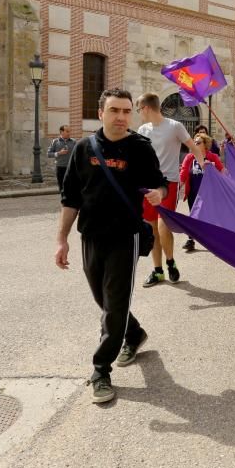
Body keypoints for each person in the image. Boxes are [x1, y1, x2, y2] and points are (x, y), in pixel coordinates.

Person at [55, 88, 168, 404]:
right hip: (91, 235)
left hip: (126, 235)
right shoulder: (83, 148)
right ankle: (133, 333)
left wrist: (159, 192)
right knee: (103, 299)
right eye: (115, 110)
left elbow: (159, 181)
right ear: (101, 112)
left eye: (126, 111)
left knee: (115, 302)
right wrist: (61, 239)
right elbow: (71, 199)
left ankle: (100, 369)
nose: (121, 117)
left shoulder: (140, 148)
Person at [135, 93, 193, 287]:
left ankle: (170, 262)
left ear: (146, 108)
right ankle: (158, 271)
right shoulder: (142, 129)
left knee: (163, 224)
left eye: (138, 109)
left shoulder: (175, 126)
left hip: (169, 183)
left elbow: (192, 146)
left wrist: (205, 163)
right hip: (147, 185)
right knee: (152, 229)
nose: (139, 113)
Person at [179, 133, 224, 254]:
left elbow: (222, 171)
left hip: (210, 194)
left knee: (210, 217)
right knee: (193, 216)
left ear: (205, 145)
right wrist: (177, 186)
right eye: (194, 142)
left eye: (198, 142)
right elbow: (183, 174)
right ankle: (190, 240)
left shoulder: (212, 157)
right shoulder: (189, 157)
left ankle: (214, 241)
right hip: (194, 193)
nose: (195, 144)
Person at [47, 125, 76, 193]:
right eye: (67, 131)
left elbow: (77, 153)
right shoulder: (55, 142)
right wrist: (59, 153)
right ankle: (64, 201)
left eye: (70, 131)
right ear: (61, 132)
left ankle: (71, 202)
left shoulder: (73, 141)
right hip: (60, 167)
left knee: (71, 186)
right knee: (62, 187)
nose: (69, 133)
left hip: (71, 168)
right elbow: (48, 154)